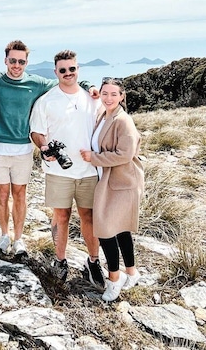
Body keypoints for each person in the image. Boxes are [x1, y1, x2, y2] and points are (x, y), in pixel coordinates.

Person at [0, 41, 97, 257]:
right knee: (2, 193)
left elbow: (65, 81)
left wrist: (88, 85)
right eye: (13, 60)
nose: (17, 65)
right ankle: (4, 235)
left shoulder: (36, 83)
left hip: (24, 149)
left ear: (27, 62)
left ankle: (18, 239)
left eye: (21, 61)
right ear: (5, 60)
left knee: (20, 194)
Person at [29, 50, 106, 291]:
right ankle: (60, 260)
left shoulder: (93, 99)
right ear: (56, 72)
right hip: (58, 171)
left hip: (89, 171)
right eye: (63, 70)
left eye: (72, 69)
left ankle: (93, 261)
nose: (68, 73)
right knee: (61, 216)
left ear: (78, 69)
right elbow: (36, 131)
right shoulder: (47, 100)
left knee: (89, 217)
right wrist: (43, 146)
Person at [80, 77, 144, 302]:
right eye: (105, 93)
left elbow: (124, 154)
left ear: (122, 96)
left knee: (106, 231)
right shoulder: (103, 114)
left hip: (122, 183)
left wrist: (93, 158)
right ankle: (132, 273)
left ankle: (114, 280)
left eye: (113, 94)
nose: (108, 98)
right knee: (120, 230)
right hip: (109, 181)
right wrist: (91, 89)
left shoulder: (123, 120)